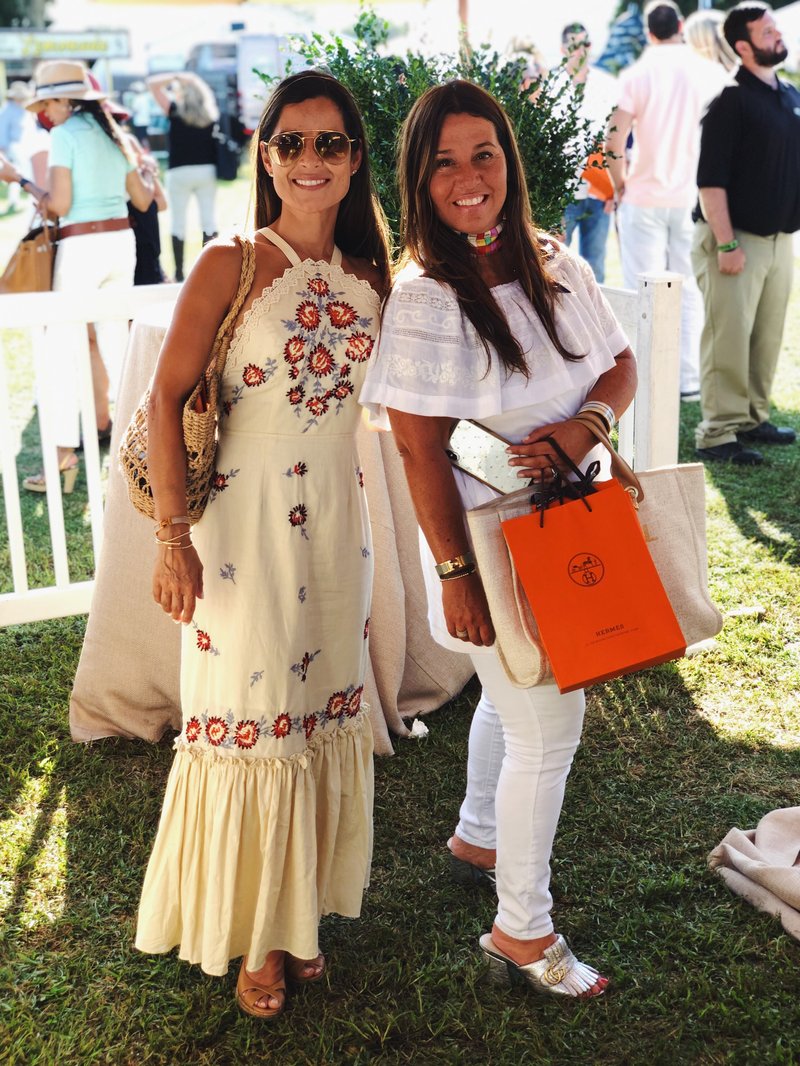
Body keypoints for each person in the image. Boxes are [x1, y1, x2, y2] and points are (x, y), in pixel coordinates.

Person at [360, 80, 637, 998]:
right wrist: (454, 574)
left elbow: (622, 363)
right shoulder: (426, 298)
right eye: (444, 163)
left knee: (510, 701)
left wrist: (587, 424)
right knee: (548, 728)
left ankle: (480, 834)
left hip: (568, 528)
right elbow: (417, 448)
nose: (468, 177)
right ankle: (523, 928)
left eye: (484, 154)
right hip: (486, 543)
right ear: (419, 180)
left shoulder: (554, 261)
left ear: (509, 163)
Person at [134, 70, 391, 1019]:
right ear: (266, 156)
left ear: (355, 159)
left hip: (336, 527)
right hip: (242, 531)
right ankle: (255, 935)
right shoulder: (230, 261)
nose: (310, 159)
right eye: (291, 142)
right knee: (254, 720)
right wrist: (172, 539)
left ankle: (301, 911)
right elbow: (166, 398)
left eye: (331, 142)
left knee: (318, 715)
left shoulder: (375, 276)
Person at [0, 60, 154, 493]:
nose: (46, 113)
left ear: (66, 101)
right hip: (121, 244)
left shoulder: (64, 135)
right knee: (119, 349)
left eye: (48, 103)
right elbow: (143, 200)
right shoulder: (113, 134)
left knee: (61, 353)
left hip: (82, 247)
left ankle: (61, 459)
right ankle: (141, 451)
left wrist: (20, 181)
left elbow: (60, 205)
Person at [605, 0, 730, 402]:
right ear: (679, 25)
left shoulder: (636, 74)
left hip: (643, 195)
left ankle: (643, 376)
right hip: (693, 195)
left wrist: (619, 185)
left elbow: (613, 139)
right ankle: (687, 378)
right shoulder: (708, 71)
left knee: (641, 290)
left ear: (648, 32)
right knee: (688, 288)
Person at [692, 2, 799, 465]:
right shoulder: (730, 99)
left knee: (766, 337)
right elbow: (710, 181)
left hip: (779, 240)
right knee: (728, 339)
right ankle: (718, 433)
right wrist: (728, 243)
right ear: (743, 46)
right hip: (732, 239)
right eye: (767, 31)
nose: (778, 34)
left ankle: (754, 418)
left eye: (776, 27)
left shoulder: (788, 94)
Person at [557, 22, 618, 284]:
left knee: (596, 265)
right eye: (574, 45)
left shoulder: (607, 84)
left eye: (586, 44)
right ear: (563, 49)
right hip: (563, 189)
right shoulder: (551, 86)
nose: (581, 50)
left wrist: (614, 186)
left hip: (600, 187)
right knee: (557, 264)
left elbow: (618, 138)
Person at [146, 70, 219, 281]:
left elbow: (152, 84)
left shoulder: (174, 110)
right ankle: (210, 270)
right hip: (206, 170)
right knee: (209, 220)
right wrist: (193, 80)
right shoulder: (210, 114)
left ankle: (179, 272)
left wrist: (176, 76)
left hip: (179, 172)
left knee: (178, 222)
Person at [0, 81, 34, 214]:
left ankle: (29, 200)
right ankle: (14, 201)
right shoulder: (7, 110)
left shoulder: (24, 109)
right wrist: (3, 149)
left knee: (26, 173)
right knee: (18, 174)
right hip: (13, 147)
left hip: (26, 145)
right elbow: (2, 131)